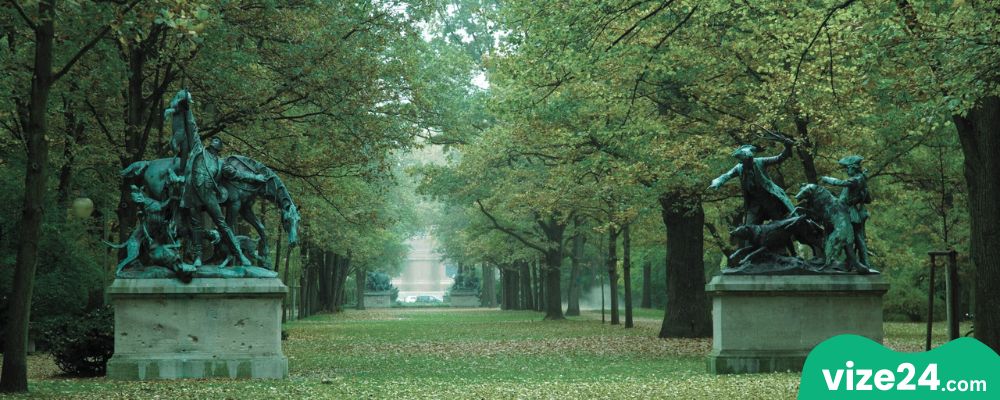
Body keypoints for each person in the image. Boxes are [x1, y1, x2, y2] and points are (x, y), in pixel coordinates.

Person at [709, 141, 796, 226]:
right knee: (748, 227)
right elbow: (727, 175)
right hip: (754, 203)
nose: (750, 161)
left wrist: (788, 148)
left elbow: (779, 158)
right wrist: (717, 182)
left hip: (769, 199)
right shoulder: (739, 168)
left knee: (782, 223)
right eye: (747, 160)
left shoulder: (760, 161)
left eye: (750, 159)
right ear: (743, 161)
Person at [820, 155, 872, 268]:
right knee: (854, 238)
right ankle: (853, 262)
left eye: (847, 168)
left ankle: (863, 263)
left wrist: (827, 179)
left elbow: (841, 183)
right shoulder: (860, 179)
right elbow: (868, 199)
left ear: (853, 168)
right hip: (846, 210)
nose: (847, 171)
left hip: (849, 213)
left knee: (856, 238)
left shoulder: (857, 179)